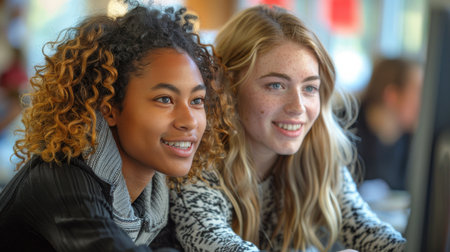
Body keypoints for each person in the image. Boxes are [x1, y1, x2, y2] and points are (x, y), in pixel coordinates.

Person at [168, 5, 406, 252]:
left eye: (310, 88)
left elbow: (368, 230)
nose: (298, 107)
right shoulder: (195, 161)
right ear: (229, 88)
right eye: (276, 85)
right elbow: (218, 244)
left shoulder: (318, 154)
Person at [0, 4, 225, 251]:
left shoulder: (156, 199)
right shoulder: (59, 179)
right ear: (109, 109)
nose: (190, 120)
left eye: (197, 101)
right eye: (164, 99)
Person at [356, 58, 423, 191]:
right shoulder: (343, 132)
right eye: (418, 91)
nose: (424, 101)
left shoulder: (415, 142)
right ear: (392, 96)